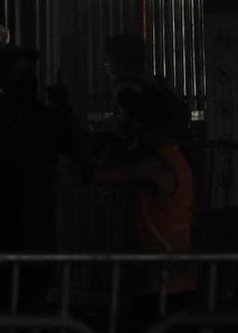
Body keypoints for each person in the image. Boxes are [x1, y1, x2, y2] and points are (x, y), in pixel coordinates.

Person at [0, 44, 88, 312]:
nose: (28, 79)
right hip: (14, 225)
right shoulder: (41, 117)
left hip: (11, 225)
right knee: (17, 302)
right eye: (23, 73)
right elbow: (80, 154)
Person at [94, 85, 196, 323]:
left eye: (129, 118)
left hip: (162, 281)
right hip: (166, 278)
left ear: (139, 124)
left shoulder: (156, 164)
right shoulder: (169, 158)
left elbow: (105, 173)